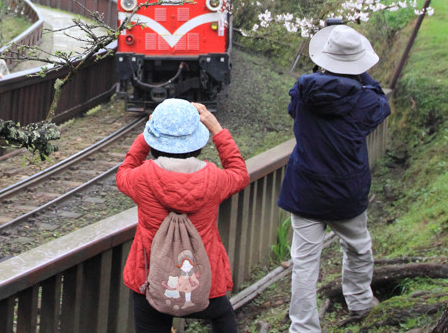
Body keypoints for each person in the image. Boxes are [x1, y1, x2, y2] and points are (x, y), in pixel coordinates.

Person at [278, 24, 391, 332]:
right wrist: (360, 75)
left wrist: (323, 71)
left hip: (304, 190)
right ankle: (359, 300)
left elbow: (293, 111)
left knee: (303, 262)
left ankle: (303, 327)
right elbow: (382, 103)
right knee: (358, 248)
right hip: (346, 191)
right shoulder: (367, 102)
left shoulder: (303, 89)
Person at [117, 98, 250, 333]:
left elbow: (124, 170)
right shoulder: (214, 178)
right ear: (197, 140)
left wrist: (147, 134)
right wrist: (217, 129)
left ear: (154, 140)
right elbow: (239, 173)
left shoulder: (141, 178)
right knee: (222, 317)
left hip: (150, 279)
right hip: (202, 280)